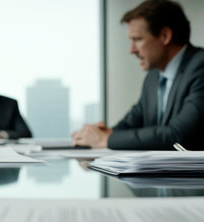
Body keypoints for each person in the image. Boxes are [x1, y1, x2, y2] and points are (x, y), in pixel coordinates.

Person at [72, 0, 204, 150]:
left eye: (138, 39)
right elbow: (132, 122)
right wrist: (98, 135)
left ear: (165, 36)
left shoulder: (200, 66)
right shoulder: (153, 77)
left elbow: (177, 135)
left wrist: (107, 139)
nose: (132, 50)